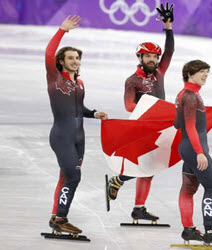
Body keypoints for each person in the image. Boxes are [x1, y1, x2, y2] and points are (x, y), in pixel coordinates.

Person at [107, 2, 175, 222]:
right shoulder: (133, 80)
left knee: (152, 166)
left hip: (160, 125)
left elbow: (170, 51)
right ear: (140, 58)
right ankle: (118, 181)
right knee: (144, 164)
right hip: (142, 126)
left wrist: (168, 28)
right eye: (148, 57)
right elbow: (129, 106)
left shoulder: (159, 73)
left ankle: (139, 208)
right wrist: (149, 112)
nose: (153, 60)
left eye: (155, 57)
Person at [46, 15, 108, 234]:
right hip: (62, 136)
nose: (75, 61)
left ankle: (56, 216)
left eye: (77, 58)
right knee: (73, 176)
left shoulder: (79, 84)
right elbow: (48, 54)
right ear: (62, 61)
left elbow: (78, 109)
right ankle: (61, 218)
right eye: (70, 58)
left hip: (78, 138)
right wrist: (62, 30)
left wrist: (94, 113)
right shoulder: (55, 78)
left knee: (66, 176)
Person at [174, 60, 212, 245]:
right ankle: (210, 230)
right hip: (194, 148)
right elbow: (190, 126)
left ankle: (189, 230)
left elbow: (178, 124)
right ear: (189, 74)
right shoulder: (191, 96)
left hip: (186, 147)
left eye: (207, 72)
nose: (206, 75)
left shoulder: (183, 94)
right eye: (201, 72)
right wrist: (200, 152)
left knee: (188, 189)